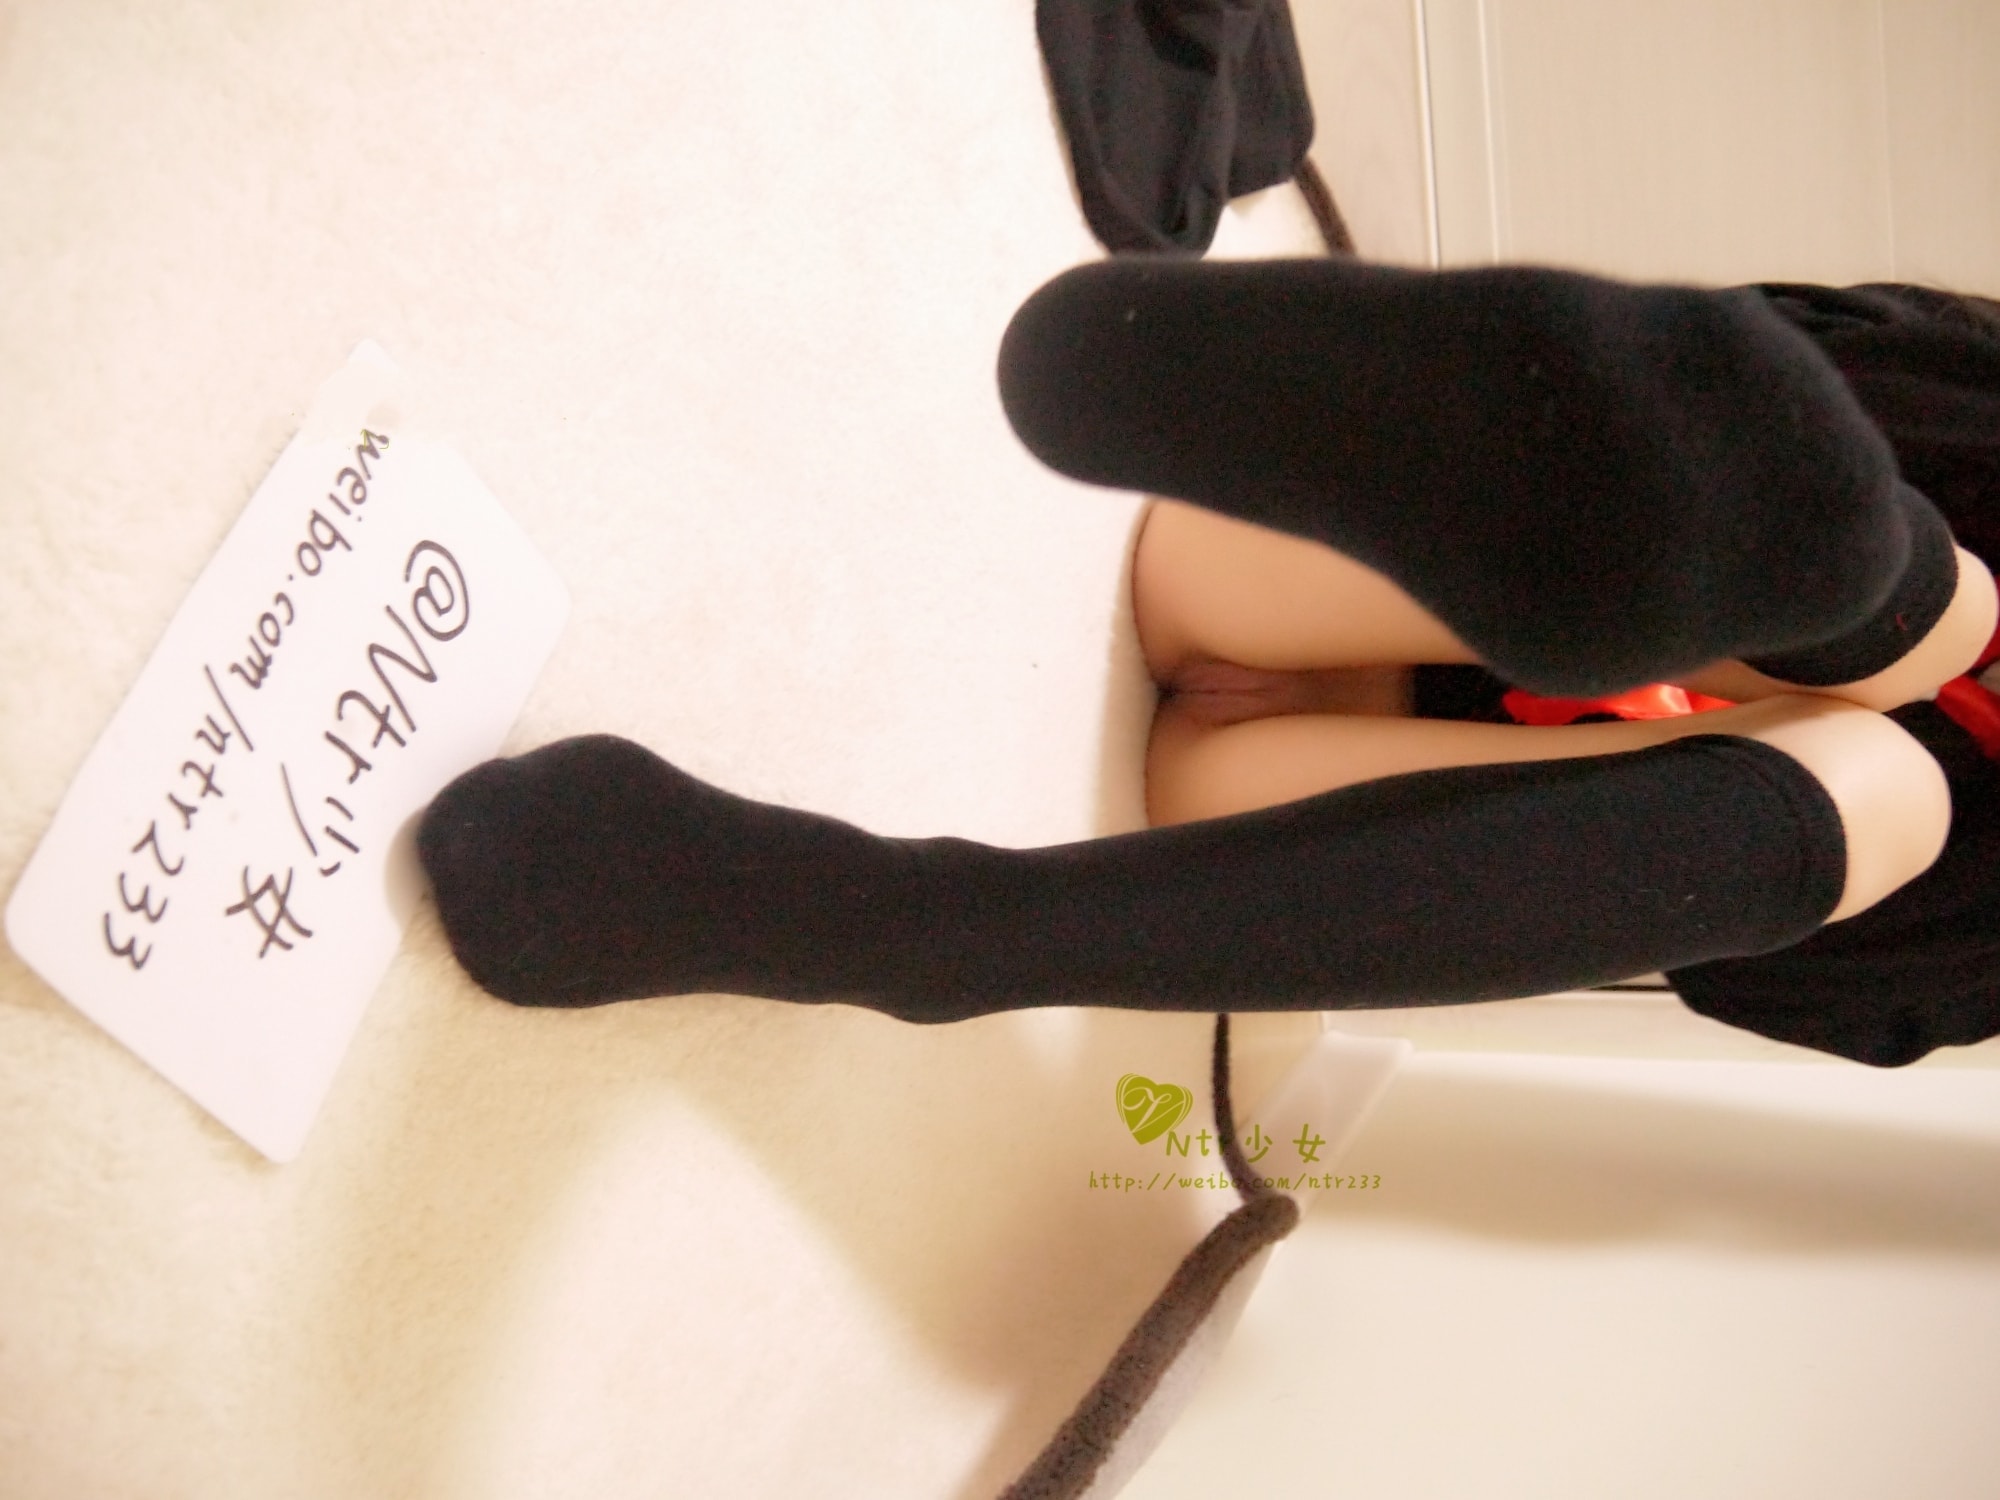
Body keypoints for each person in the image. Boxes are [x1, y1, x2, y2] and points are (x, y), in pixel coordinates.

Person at [417, 258, 2000, 1066]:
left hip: (1374, 807)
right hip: (1316, 598)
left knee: (1886, 789)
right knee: (1911, 621)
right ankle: (1881, 602)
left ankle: (916, 932)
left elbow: (1779, 972)